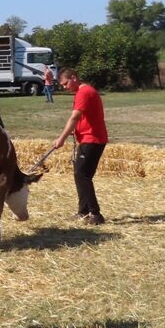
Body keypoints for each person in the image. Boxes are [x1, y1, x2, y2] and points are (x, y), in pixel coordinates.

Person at [50, 68, 108, 225]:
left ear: (74, 78)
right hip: (90, 138)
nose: (64, 87)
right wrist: (75, 130)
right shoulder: (83, 92)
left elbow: (75, 116)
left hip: (92, 139)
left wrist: (61, 138)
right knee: (80, 174)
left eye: (65, 83)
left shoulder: (84, 92)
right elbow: (82, 117)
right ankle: (83, 212)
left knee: (82, 175)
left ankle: (95, 214)